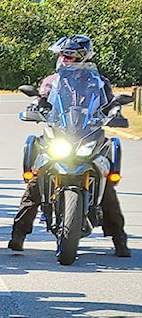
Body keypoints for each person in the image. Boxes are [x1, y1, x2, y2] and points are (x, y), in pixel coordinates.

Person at [8, 34, 130, 257]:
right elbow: (42, 97)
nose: (64, 60)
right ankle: (18, 235)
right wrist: (35, 105)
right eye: (62, 56)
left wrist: (115, 112)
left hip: (89, 135)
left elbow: (110, 102)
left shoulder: (98, 82)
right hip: (60, 134)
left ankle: (119, 240)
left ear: (82, 57)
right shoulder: (53, 80)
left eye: (69, 56)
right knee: (35, 183)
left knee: (107, 189)